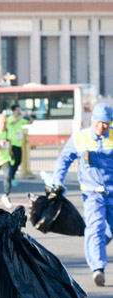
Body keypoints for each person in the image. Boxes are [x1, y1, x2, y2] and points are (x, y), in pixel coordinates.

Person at [53, 102, 113, 287]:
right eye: (98, 122)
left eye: (106, 123)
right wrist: (57, 182)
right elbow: (64, 159)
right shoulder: (80, 138)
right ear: (92, 120)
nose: (102, 126)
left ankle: (94, 246)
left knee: (107, 232)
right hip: (92, 193)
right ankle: (98, 268)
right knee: (95, 228)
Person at [6, 105, 33, 186]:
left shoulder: (20, 119)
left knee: (19, 161)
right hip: (12, 144)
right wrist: (23, 115)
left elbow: (30, 122)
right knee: (13, 161)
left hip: (18, 144)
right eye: (17, 110)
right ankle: (10, 177)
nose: (19, 112)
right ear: (13, 111)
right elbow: (14, 121)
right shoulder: (10, 118)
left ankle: (12, 176)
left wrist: (32, 117)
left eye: (19, 110)